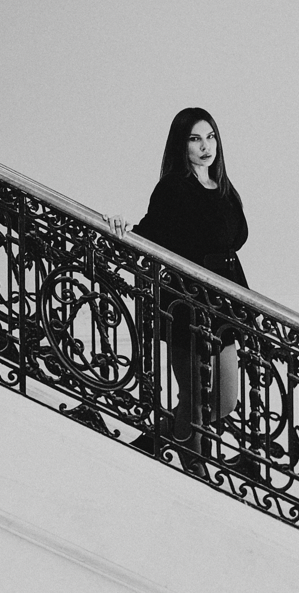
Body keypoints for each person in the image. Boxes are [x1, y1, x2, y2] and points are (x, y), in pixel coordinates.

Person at [107, 108, 249, 468]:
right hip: (187, 302)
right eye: (195, 138)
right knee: (196, 397)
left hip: (224, 302)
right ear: (181, 145)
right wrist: (119, 226)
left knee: (225, 400)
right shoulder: (173, 187)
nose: (206, 146)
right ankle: (194, 466)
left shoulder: (225, 190)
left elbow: (233, 242)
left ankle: (155, 439)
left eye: (211, 136)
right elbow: (148, 234)